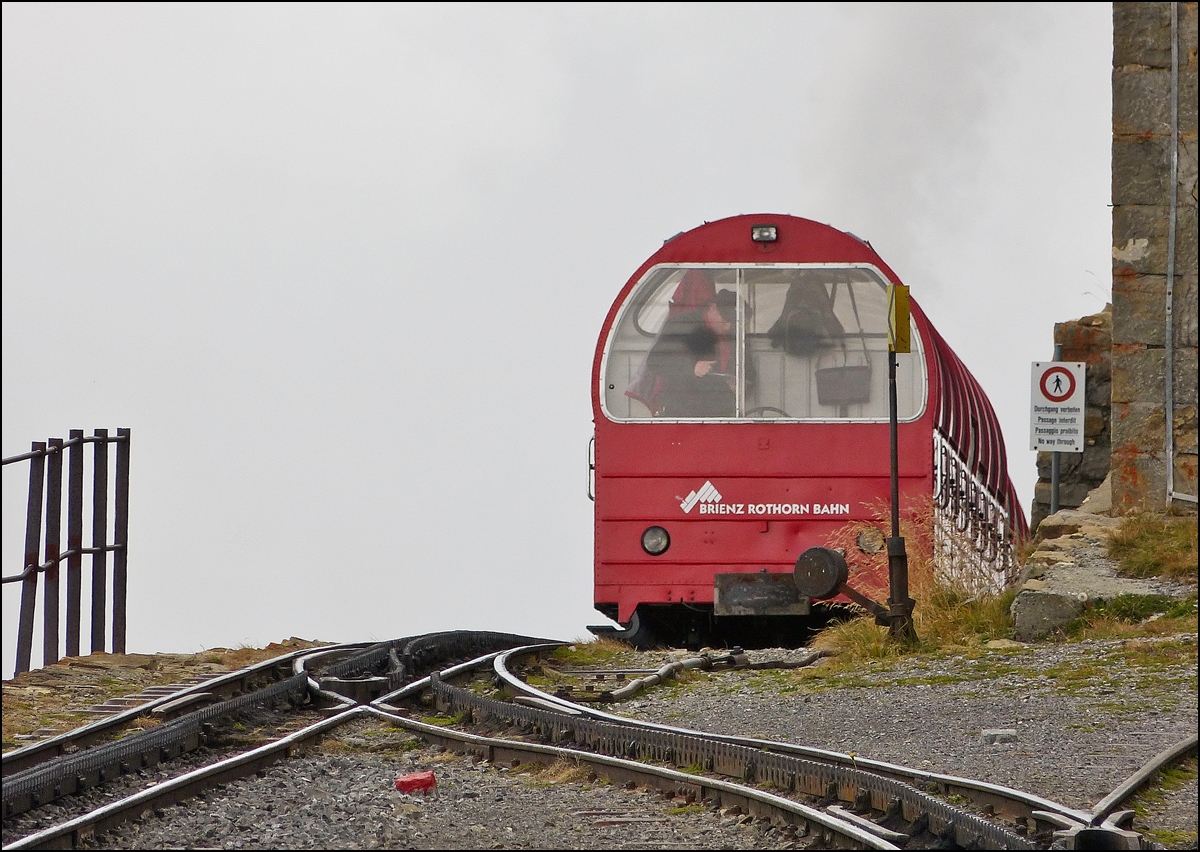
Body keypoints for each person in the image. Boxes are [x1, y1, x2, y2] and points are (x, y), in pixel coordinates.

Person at [626, 271, 739, 417]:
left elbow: (746, 367)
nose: (728, 325)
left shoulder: (734, 334)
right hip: (684, 416)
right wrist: (693, 367)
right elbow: (655, 361)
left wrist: (738, 381)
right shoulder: (683, 324)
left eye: (732, 321)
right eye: (725, 318)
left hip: (722, 416)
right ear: (712, 308)